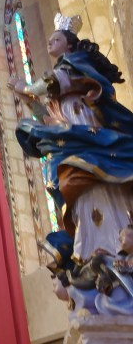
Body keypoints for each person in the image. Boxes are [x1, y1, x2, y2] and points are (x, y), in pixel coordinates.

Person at [8, 13, 133, 263]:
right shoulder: (62, 89)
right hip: (70, 137)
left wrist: (25, 88)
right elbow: (47, 117)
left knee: (93, 178)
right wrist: (25, 98)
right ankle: (95, 249)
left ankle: (116, 245)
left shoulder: (74, 64)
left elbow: (49, 83)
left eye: (56, 39)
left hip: (84, 133)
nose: (50, 42)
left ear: (69, 44)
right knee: (77, 190)